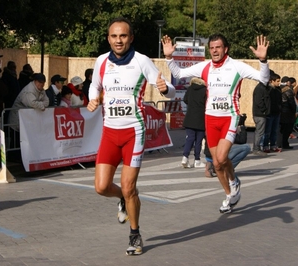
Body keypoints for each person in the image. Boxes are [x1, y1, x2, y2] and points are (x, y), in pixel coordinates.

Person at [87, 17, 175, 256]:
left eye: (123, 36)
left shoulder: (141, 61)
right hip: (109, 132)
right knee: (101, 186)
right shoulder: (101, 61)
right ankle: (123, 199)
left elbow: (167, 87)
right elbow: (94, 86)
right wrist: (93, 98)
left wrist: (165, 89)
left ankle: (135, 234)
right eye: (114, 36)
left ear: (131, 38)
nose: (118, 40)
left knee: (129, 187)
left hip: (133, 133)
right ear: (108, 38)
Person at [162, 33, 269, 213]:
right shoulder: (205, 66)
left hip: (229, 117)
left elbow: (264, 79)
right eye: (211, 48)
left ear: (225, 49)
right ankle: (230, 194)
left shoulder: (236, 66)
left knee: (220, 158)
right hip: (210, 119)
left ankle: (233, 180)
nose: (214, 51)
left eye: (218, 47)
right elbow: (178, 73)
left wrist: (263, 61)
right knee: (216, 163)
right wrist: (168, 57)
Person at [181, 77, 206, 168]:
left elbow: (185, 100)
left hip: (190, 117)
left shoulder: (190, 89)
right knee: (198, 141)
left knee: (189, 138)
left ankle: (185, 157)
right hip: (200, 118)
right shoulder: (204, 90)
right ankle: (197, 160)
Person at [263, 72, 282, 153]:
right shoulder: (268, 90)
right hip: (269, 113)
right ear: (272, 81)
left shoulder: (278, 89)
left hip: (277, 113)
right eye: (277, 81)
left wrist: (280, 108)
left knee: (274, 131)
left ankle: (273, 145)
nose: (279, 83)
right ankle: (265, 146)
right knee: (267, 131)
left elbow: (280, 101)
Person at [252, 75, 271, 156]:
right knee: (259, 132)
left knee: (260, 132)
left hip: (261, 113)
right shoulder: (260, 88)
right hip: (260, 114)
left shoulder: (263, 88)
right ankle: (256, 149)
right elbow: (259, 101)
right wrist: (264, 110)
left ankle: (257, 148)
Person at [277, 76, 296, 149]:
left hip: (279, 111)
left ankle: (279, 144)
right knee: (287, 129)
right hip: (287, 112)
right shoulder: (288, 90)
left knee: (280, 129)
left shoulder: (278, 89)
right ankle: (285, 143)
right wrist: (294, 110)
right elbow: (291, 102)